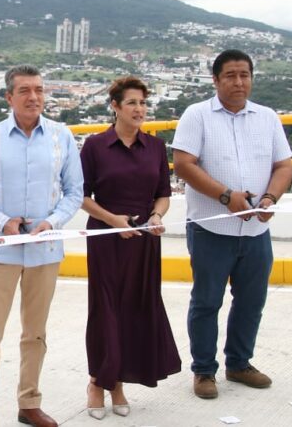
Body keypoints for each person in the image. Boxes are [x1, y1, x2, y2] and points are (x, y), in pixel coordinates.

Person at [0, 65, 84, 427]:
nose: (34, 97)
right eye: (25, 91)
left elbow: (74, 192)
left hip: (45, 250)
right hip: (2, 250)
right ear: (9, 97)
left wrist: (52, 223)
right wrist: (3, 221)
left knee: (36, 332)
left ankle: (29, 403)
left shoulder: (62, 137)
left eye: (39, 90)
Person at [171, 49, 292, 400]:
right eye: (230, 76)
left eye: (245, 75)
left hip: (256, 230)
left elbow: (283, 166)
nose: (239, 82)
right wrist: (226, 196)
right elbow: (184, 164)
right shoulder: (197, 115)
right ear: (216, 80)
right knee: (207, 302)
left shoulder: (267, 118)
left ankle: (239, 363)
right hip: (211, 229)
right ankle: (204, 370)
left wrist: (270, 198)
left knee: (251, 301)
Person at [79, 77, 180, 419]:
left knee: (134, 311)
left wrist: (156, 216)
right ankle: (98, 382)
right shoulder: (95, 146)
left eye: (143, 103)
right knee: (105, 311)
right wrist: (112, 221)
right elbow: (81, 196)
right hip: (106, 238)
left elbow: (163, 194)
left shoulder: (156, 147)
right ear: (115, 106)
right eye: (132, 103)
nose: (139, 109)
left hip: (143, 241)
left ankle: (118, 382)